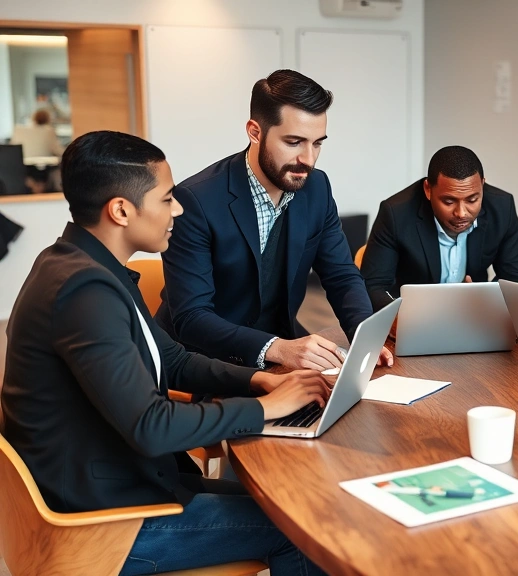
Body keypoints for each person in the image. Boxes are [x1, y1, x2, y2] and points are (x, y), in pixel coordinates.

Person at [1, 130, 331, 574]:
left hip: (117, 486)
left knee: (297, 502)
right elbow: (150, 427)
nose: (177, 209)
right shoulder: (85, 290)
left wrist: (260, 379)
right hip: (103, 525)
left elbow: (171, 359)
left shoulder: (86, 265)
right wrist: (266, 407)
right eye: (166, 198)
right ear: (121, 210)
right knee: (306, 526)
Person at [155, 69, 391, 371]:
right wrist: (277, 348)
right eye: (294, 142)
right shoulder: (195, 200)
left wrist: (363, 337)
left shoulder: (317, 187)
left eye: (317, 143)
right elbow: (192, 317)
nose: (308, 158)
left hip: (282, 342)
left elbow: (341, 275)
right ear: (255, 131)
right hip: (203, 359)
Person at [361, 145, 518, 311]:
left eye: (472, 200)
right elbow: (373, 286)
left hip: (475, 314)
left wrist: (485, 302)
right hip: (416, 316)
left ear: (482, 184)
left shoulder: (502, 208)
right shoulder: (396, 213)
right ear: (428, 189)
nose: (461, 213)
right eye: (449, 202)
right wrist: (406, 315)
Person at [11, 109, 65, 193]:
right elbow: (59, 151)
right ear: (48, 119)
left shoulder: (19, 130)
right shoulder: (49, 131)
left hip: (23, 168)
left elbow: (12, 149)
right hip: (44, 169)